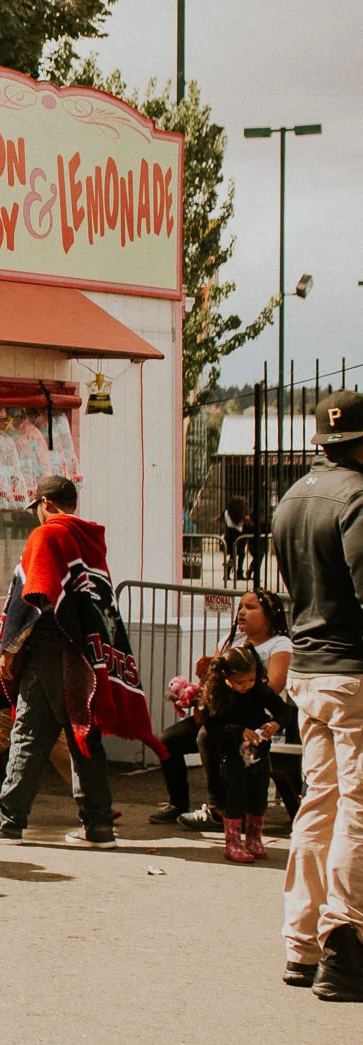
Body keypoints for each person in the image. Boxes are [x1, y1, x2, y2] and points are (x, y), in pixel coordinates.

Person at [0, 475, 161, 850]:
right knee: (81, 734)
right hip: (83, 651)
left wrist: (8, 647)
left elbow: (35, 594)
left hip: (50, 645)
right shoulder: (88, 541)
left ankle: (7, 820)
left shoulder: (47, 534)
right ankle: (98, 825)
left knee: (29, 733)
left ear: (45, 503)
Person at [271, 390, 363, 1001]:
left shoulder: (291, 499)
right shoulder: (356, 497)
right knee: (358, 809)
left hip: (309, 669)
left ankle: (299, 943)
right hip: (356, 672)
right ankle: (345, 943)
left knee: (317, 804)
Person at [159, 586, 298, 829]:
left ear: (270, 614)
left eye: (251, 607)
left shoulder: (280, 644)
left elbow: (274, 686)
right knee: (167, 740)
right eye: (241, 606)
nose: (241, 612)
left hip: (254, 721)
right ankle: (177, 803)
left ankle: (220, 810)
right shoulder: (230, 640)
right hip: (222, 715)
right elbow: (211, 677)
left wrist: (239, 685)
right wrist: (192, 693)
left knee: (208, 738)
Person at [0, 644, 70, 827]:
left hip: (42, 710)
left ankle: (92, 800)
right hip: (9, 709)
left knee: (63, 753)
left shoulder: (47, 655)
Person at [194, 644, 288, 863]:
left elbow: (284, 710)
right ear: (225, 676)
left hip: (258, 751)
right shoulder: (217, 695)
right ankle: (233, 842)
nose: (246, 686)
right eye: (240, 682)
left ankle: (254, 838)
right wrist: (238, 732)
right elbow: (212, 726)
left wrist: (275, 723)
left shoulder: (259, 690)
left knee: (259, 794)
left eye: (250, 680)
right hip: (230, 753)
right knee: (234, 796)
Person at [224, 495, 249, 581]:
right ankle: (238, 572)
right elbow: (239, 523)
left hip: (229, 534)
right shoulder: (239, 515)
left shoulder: (227, 512)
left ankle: (228, 572)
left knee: (233, 555)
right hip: (237, 534)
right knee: (240, 554)